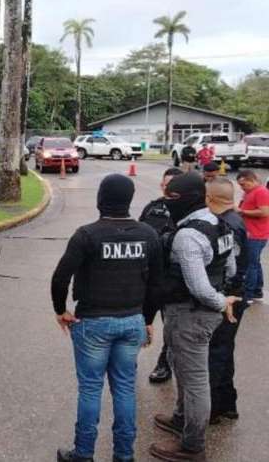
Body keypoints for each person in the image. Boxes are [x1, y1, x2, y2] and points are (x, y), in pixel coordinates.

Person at [51, 174, 163, 462]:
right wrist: (146, 319)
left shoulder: (88, 235)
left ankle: (84, 453)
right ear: (129, 200)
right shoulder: (148, 235)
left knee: (90, 388)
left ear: (100, 199)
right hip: (131, 320)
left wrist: (60, 310)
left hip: (93, 322)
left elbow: (61, 277)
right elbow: (156, 284)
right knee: (125, 388)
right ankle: (124, 455)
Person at [148, 171, 240, 462]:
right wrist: (221, 296)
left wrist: (218, 300)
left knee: (195, 378)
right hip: (199, 312)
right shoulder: (219, 224)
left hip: (192, 314)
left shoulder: (188, 235)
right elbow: (231, 269)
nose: (167, 202)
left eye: (172, 197)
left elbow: (199, 287)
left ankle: (192, 446)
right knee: (181, 366)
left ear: (187, 199)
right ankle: (181, 418)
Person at [205, 177, 249, 424]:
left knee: (215, 352)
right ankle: (227, 402)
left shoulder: (224, 224)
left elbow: (229, 267)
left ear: (209, 198)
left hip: (227, 295)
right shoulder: (237, 220)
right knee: (225, 349)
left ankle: (211, 409)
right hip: (236, 293)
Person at [139, 167, 183, 384]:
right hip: (147, 278)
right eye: (166, 185)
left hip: (172, 279)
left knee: (171, 327)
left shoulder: (187, 212)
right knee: (139, 321)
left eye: (174, 186)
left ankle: (164, 364)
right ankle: (129, 360)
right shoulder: (152, 208)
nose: (169, 189)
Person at [236, 169, 269, 303]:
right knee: (254, 263)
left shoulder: (261, 192)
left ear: (252, 180)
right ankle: (257, 290)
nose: (242, 187)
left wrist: (241, 211)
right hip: (251, 233)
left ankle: (248, 294)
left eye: (244, 184)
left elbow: (264, 212)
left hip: (256, 234)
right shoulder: (249, 192)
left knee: (250, 264)